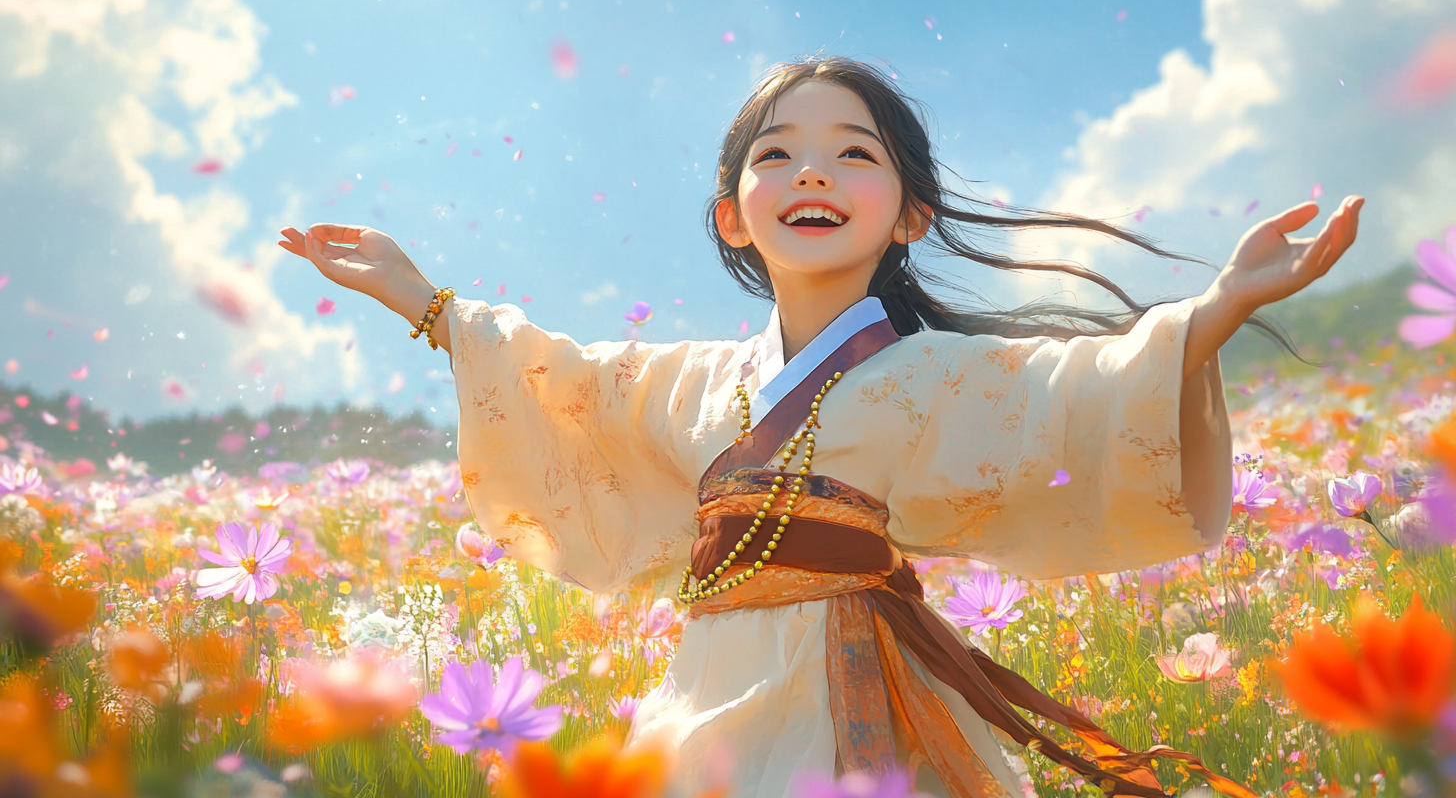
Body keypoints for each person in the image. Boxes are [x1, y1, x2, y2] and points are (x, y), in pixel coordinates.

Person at [278, 55, 1363, 798]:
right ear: (729, 213)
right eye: (774, 155)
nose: (810, 171)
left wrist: (1220, 307)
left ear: (912, 213)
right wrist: (421, 301)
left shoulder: (935, 373)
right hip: (709, 684)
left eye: (855, 154)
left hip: (861, 675)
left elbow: (1080, 391)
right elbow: (565, 385)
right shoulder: (689, 382)